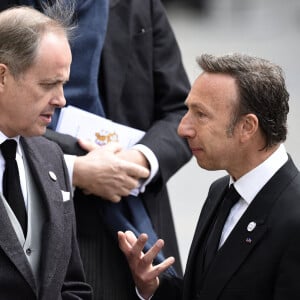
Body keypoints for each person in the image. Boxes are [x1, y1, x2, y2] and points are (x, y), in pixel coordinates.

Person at [0, 0, 192, 299]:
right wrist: (76, 168)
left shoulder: (140, 6)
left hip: (138, 218)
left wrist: (136, 161)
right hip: (64, 217)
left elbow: (182, 111)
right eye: (50, 83)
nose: (60, 98)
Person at [119, 53, 300, 300]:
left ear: (247, 127)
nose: (183, 128)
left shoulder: (294, 216)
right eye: (187, 111)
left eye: (200, 114)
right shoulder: (221, 192)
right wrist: (154, 288)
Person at [0, 4, 93, 299]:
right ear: (2, 76)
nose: (62, 100)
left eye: (63, 84)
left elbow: (72, 286)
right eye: (49, 84)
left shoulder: (51, 156)